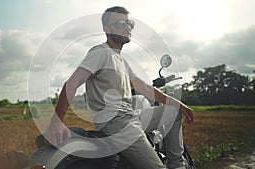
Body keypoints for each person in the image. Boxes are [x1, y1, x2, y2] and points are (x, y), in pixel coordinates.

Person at [46, 6, 194, 169]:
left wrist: (179, 104)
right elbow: (72, 83)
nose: (127, 26)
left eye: (130, 23)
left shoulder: (121, 60)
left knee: (173, 111)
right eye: (121, 23)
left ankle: (178, 165)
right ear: (106, 28)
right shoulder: (100, 52)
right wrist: (56, 121)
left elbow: (145, 88)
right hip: (117, 125)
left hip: (133, 117)